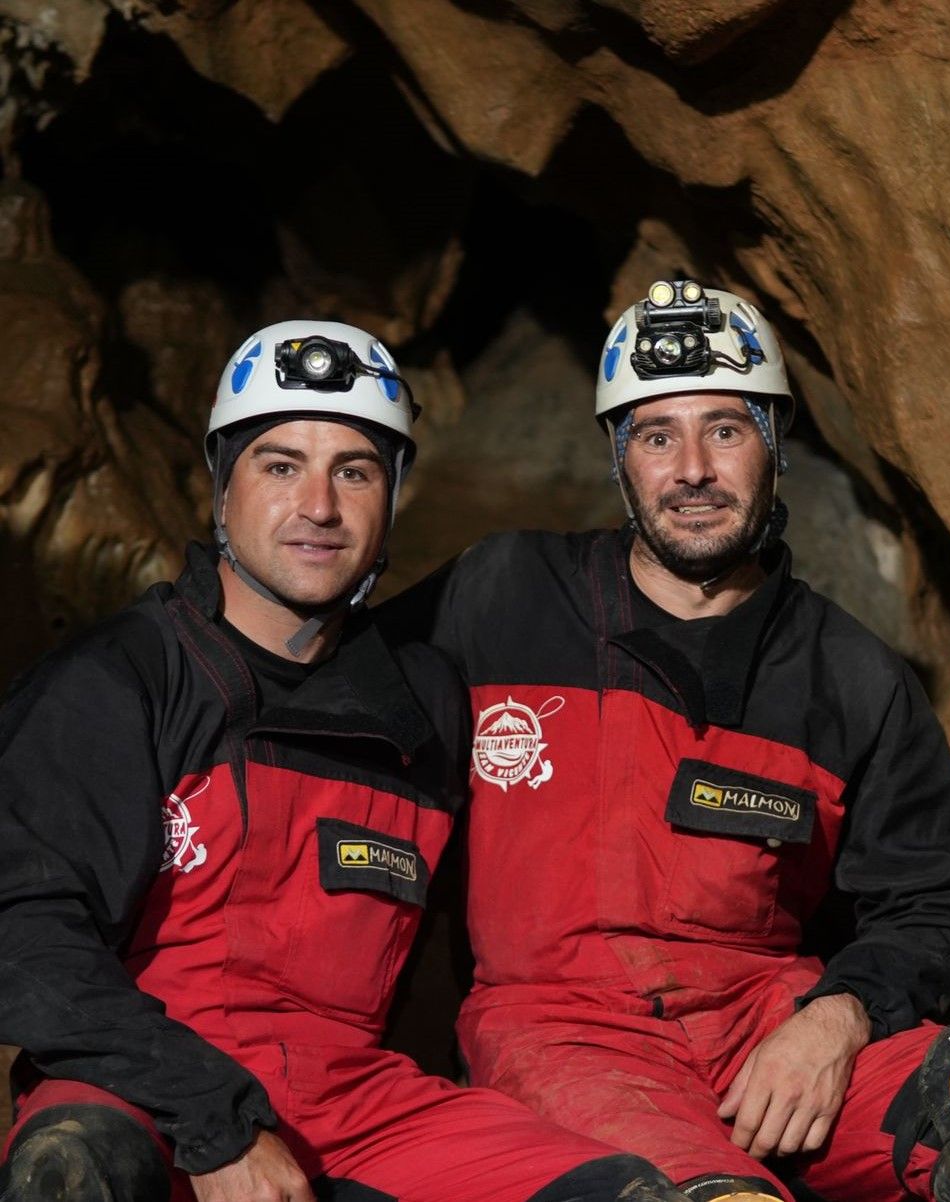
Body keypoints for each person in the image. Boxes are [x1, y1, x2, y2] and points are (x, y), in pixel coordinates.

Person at [381, 282, 950, 1202]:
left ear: (773, 442)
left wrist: (841, 1017)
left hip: (772, 1027)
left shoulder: (849, 675)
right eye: (657, 436)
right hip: (562, 1033)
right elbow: (332, 703)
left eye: (726, 430)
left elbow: (932, 902)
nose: (692, 468)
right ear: (621, 457)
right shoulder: (503, 595)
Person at [0, 319, 697, 1202]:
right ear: (223, 487)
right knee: (75, 1170)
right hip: (140, 1083)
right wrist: (214, 1122)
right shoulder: (118, 681)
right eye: (281, 465)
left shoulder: (427, 704)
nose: (320, 508)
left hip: (355, 1103)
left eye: (355, 471)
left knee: (621, 1191)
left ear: (393, 494)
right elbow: (22, 935)